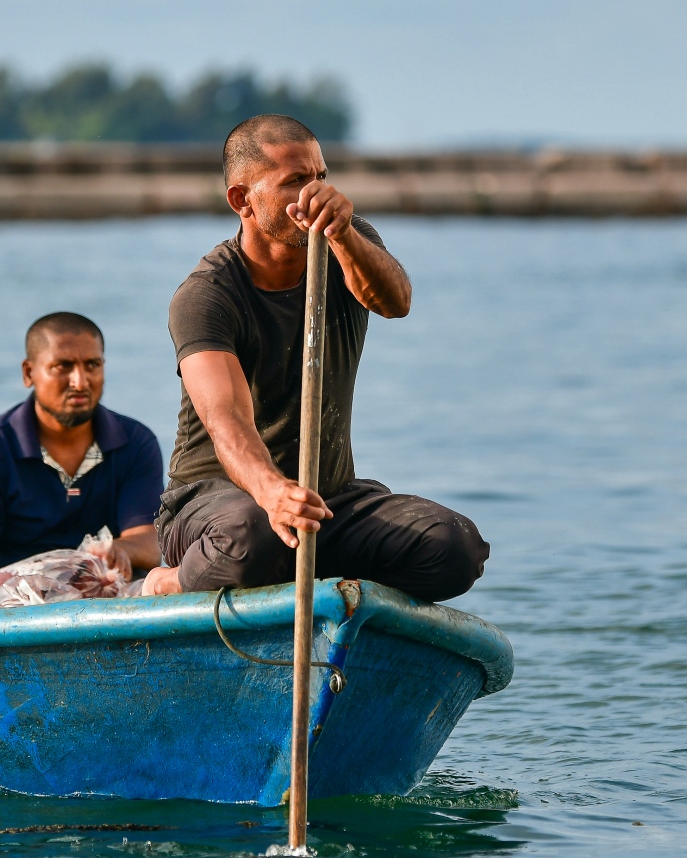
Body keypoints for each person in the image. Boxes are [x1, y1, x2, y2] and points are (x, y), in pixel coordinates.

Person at [142, 115, 489, 600]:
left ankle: (335, 595)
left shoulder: (350, 240)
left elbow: (395, 303)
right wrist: (272, 493)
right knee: (255, 537)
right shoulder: (206, 296)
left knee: (455, 548)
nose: (316, 194)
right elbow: (227, 422)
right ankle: (171, 581)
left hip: (328, 498)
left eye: (321, 177)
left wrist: (344, 237)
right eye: (295, 182)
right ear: (243, 200)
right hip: (217, 505)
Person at [0, 312, 164, 596]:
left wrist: (117, 550)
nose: (80, 382)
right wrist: (11, 606)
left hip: (109, 605)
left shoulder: (135, 443)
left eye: (92, 365)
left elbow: (148, 543)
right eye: (63, 366)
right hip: (12, 613)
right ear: (28, 373)